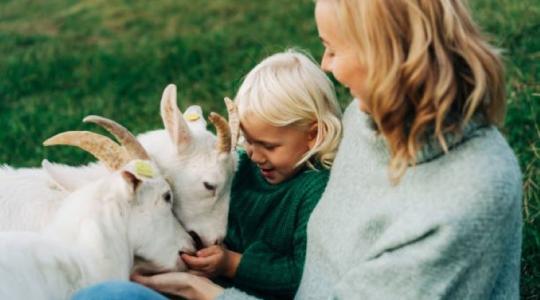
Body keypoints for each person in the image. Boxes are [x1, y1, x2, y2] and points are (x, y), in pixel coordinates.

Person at [110, 0, 522, 299]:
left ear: (385, 52)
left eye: (335, 48)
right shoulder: (369, 121)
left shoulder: (469, 196)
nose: (326, 64)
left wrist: (210, 295)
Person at [73, 49, 343, 299]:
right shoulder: (243, 169)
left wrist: (231, 264)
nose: (254, 154)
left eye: (269, 146)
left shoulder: (315, 191)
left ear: (313, 135)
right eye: (248, 140)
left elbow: (302, 275)